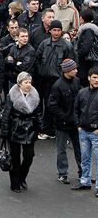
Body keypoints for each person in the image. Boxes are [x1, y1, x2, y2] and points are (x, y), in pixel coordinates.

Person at [35, 20, 77, 140]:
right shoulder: (44, 44)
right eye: (54, 30)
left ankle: (59, 130)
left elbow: (71, 63)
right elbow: (37, 59)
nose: (57, 32)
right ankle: (48, 129)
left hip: (60, 81)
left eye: (59, 30)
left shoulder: (66, 46)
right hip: (45, 80)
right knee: (47, 105)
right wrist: (40, 71)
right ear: (50, 31)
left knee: (61, 105)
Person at [0, 72, 41, 193]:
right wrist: (4, 132)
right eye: (25, 82)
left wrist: (40, 128)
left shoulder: (35, 96)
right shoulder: (11, 96)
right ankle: (15, 183)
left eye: (29, 82)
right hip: (15, 129)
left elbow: (38, 114)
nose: (28, 85)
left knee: (29, 156)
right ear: (19, 84)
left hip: (30, 129)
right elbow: (6, 115)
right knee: (15, 158)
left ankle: (22, 177)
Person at [48, 58, 82, 185]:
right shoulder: (57, 85)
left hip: (75, 122)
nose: (76, 70)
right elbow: (52, 105)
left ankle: (83, 172)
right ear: (67, 70)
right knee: (61, 149)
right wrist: (64, 117)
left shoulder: (76, 82)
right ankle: (62, 173)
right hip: (63, 124)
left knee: (80, 149)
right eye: (74, 69)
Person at [72, 67, 98, 195]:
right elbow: (76, 109)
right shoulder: (82, 92)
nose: (97, 80)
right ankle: (85, 181)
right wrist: (78, 125)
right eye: (94, 77)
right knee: (85, 158)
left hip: (95, 133)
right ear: (89, 78)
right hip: (83, 131)